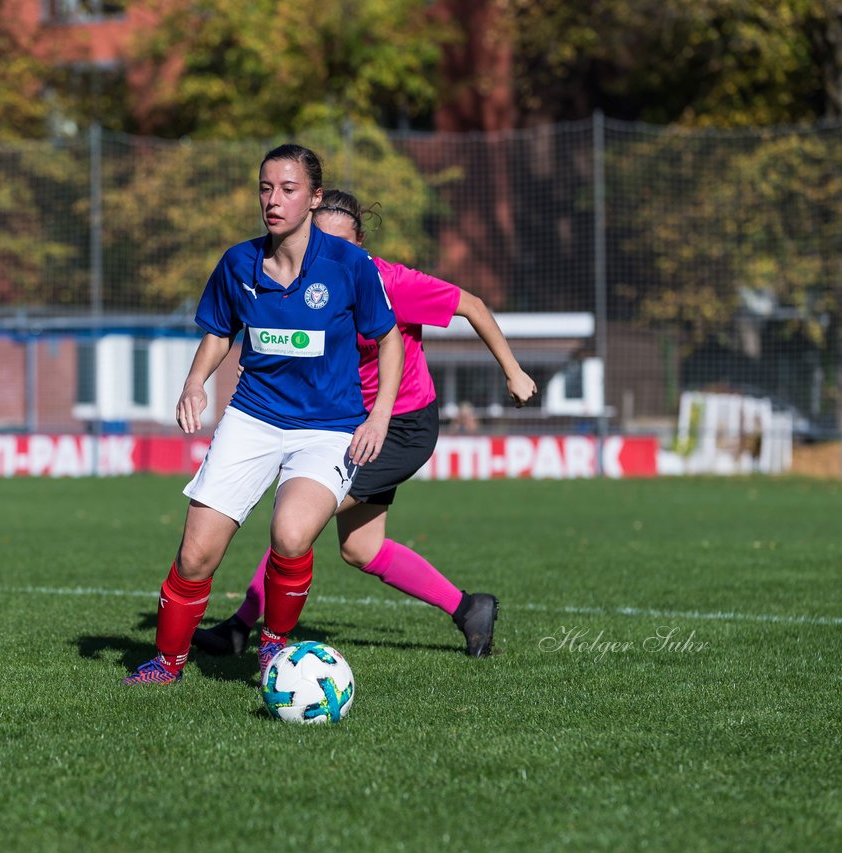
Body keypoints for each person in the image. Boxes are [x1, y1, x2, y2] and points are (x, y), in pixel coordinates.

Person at [193, 188, 537, 659]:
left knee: (297, 522)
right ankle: (469, 607)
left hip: (401, 426)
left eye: (345, 245)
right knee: (361, 548)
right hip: (350, 426)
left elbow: (471, 304)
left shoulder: (389, 282)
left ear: (361, 247)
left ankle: (240, 626)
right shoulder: (302, 286)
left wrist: (513, 372)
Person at [122, 145, 405, 686]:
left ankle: (274, 646)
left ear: (314, 197)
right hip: (252, 418)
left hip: (330, 428)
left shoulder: (349, 264)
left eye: (289, 189)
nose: (274, 200)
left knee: (292, 535)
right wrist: (194, 383)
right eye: (266, 188)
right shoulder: (238, 262)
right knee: (196, 555)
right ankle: (166, 663)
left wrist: (379, 417)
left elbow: (388, 339)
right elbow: (219, 332)